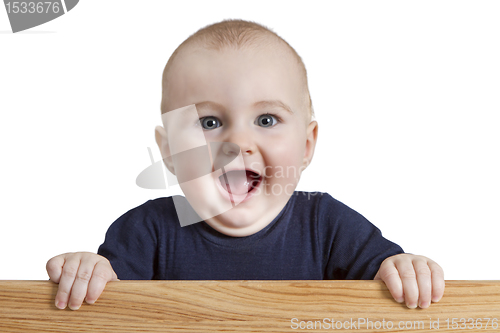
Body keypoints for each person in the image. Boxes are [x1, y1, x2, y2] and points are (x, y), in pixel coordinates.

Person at [46, 19, 444, 311]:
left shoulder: (327, 225)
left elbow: (389, 285)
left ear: (306, 145)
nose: (237, 144)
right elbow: (104, 306)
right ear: (168, 151)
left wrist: (405, 268)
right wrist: (89, 271)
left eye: (266, 120)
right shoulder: (147, 232)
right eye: (209, 123)